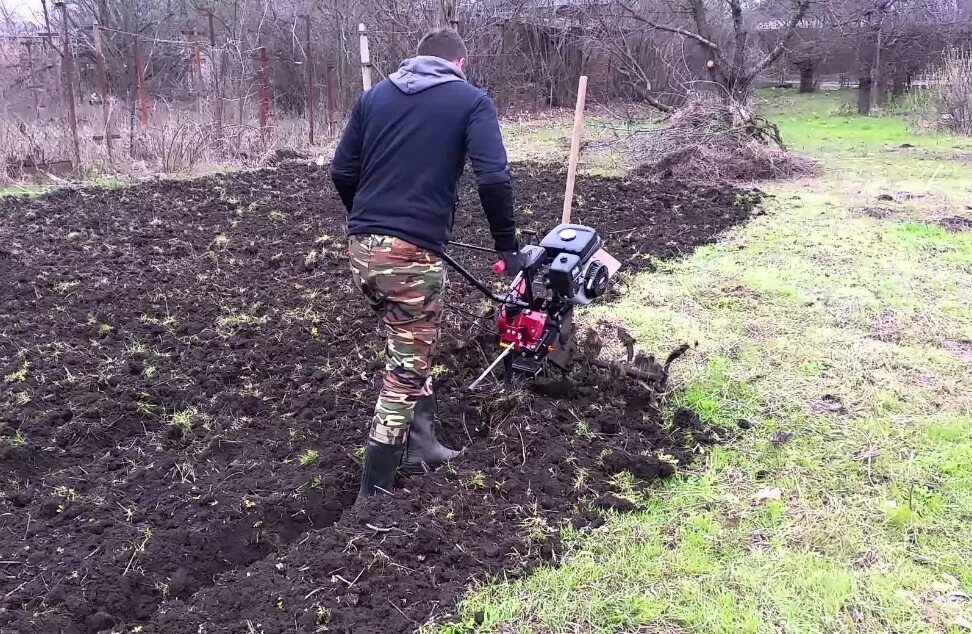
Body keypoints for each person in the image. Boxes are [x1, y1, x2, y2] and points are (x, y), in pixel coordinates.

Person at [331, 28, 526, 501]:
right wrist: (508, 247)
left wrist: (371, 221)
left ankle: (423, 447)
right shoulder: (471, 100)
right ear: (460, 62)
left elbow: (342, 170)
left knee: (408, 344)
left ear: (416, 59)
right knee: (405, 370)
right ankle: (372, 493)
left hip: (361, 249)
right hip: (412, 256)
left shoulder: (375, 96)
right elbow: (494, 178)